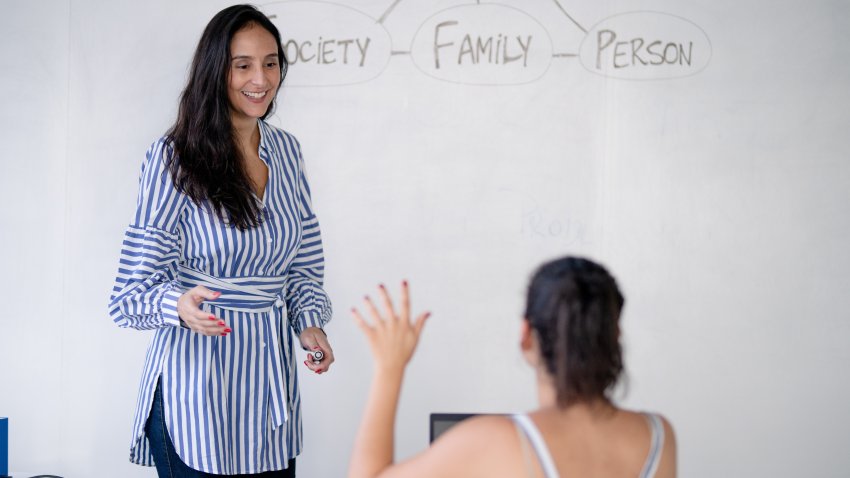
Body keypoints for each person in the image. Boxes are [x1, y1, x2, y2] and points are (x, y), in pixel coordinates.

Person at [107, 5, 332, 477]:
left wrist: (309, 324)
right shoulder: (175, 158)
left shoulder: (288, 152)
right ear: (216, 71)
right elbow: (129, 294)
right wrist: (180, 305)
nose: (261, 78)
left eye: (271, 63)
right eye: (243, 64)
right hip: (197, 393)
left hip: (269, 398)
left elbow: (302, 264)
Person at [349, 257, 676, 477]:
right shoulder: (659, 437)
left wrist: (389, 368)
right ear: (615, 336)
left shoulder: (501, 439)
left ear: (526, 336)